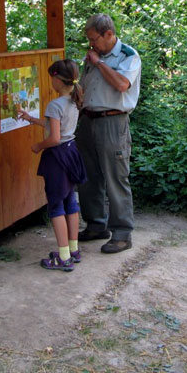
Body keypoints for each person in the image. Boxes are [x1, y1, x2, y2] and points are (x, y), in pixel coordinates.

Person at [75, 13, 141, 254]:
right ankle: (96, 225)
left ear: (109, 34)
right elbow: (85, 87)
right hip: (88, 120)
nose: (91, 44)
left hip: (113, 122)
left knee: (116, 178)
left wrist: (99, 63)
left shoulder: (128, 56)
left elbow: (122, 84)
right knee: (88, 177)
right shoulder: (94, 57)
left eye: (94, 39)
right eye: (90, 40)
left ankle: (122, 234)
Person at [20, 59, 88, 272]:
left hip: (57, 157)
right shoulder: (73, 100)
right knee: (70, 202)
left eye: (51, 77)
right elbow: (57, 127)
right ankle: (73, 250)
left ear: (58, 79)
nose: (50, 81)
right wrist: (31, 119)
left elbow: (54, 138)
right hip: (71, 152)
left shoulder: (55, 105)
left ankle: (63, 257)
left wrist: (38, 146)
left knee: (56, 205)